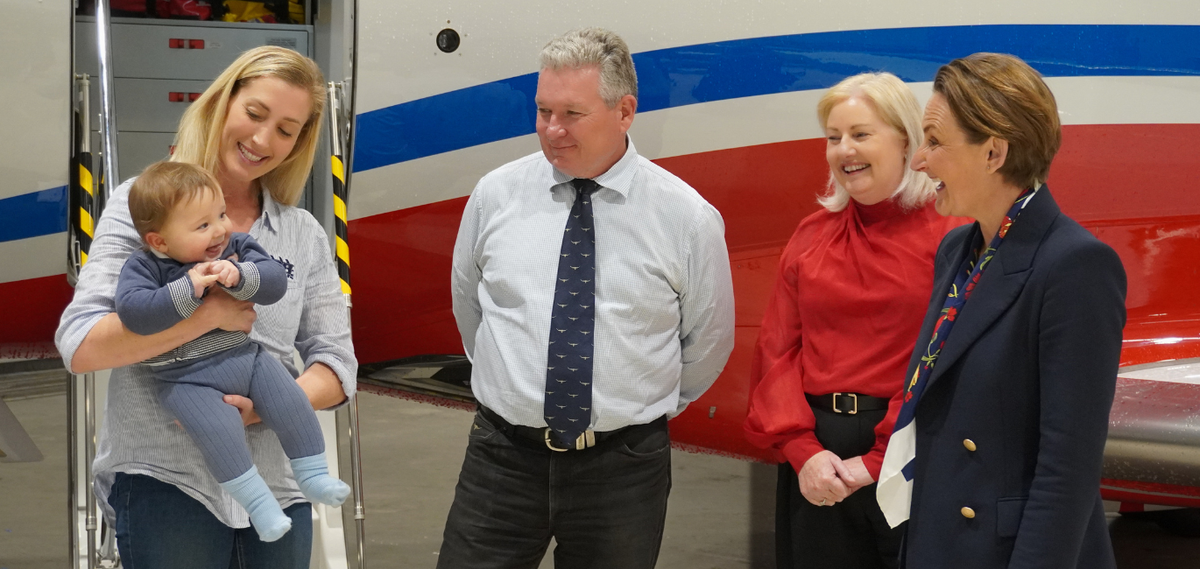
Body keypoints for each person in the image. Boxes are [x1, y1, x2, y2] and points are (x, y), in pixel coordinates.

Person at [442, 27, 735, 569]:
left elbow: (708, 339)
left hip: (622, 470)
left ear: (624, 112)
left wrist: (635, 411)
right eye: (543, 111)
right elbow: (470, 307)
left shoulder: (686, 218)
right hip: (501, 458)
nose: (552, 130)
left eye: (572, 114)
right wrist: (513, 388)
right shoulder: (494, 196)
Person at [56, 46, 356, 568]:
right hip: (167, 485)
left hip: (280, 488)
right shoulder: (141, 206)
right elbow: (81, 346)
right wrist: (209, 316)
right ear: (221, 103)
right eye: (255, 113)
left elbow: (337, 364)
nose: (264, 139)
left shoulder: (301, 233)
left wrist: (263, 407)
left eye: (286, 129)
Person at [875, 53, 1126, 569]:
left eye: (936, 142)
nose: (919, 160)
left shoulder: (1076, 266)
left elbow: (1068, 467)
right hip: (939, 542)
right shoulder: (957, 251)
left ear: (994, 152)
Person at [743, 72, 965, 569]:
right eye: (833, 137)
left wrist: (877, 461)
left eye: (861, 134)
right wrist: (804, 452)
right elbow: (778, 353)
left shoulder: (955, 233)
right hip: (819, 461)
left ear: (906, 140)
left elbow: (952, 362)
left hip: (913, 452)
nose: (844, 149)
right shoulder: (812, 234)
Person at [114, 161, 350, 543]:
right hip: (185, 379)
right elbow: (136, 313)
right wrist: (188, 288)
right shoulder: (145, 267)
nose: (220, 229)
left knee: (291, 399)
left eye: (221, 214)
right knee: (219, 432)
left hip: (248, 359)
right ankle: (259, 504)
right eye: (202, 226)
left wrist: (241, 276)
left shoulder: (235, 247)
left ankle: (313, 474)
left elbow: (274, 282)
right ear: (159, 241)